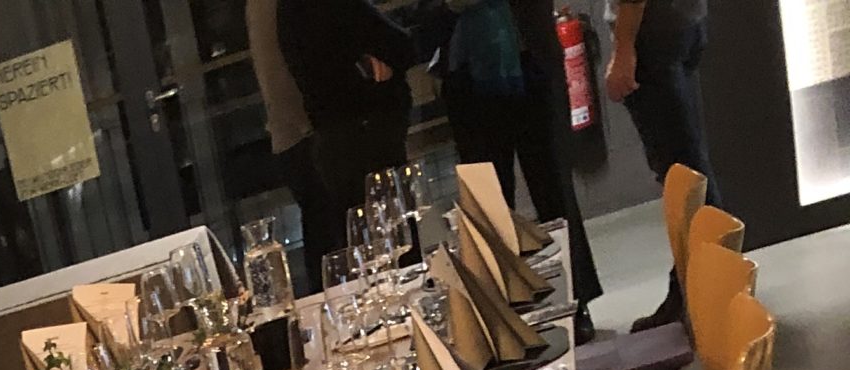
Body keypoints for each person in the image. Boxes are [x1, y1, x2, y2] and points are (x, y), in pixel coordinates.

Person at [423, 0, 602, 316]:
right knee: (488, 203)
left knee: (554, 191)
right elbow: (424, 14)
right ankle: (505, 314)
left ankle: (577, 302)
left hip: (531, 61)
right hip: (468, 77)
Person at [605, 0, 716, 324]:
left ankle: (701, 294)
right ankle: (704, 288)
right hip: (682, 24)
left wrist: (623, 50)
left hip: (652, 36)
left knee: (682, 176)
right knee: (690, 166)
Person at [277, 0, 416, 241]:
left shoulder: (287, 10)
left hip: (331, 137)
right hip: (368, 132)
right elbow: (402, 46)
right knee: (396, 232)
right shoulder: (335, 6)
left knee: (358, 236)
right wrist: (376, 68)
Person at [246, 0, 335, 291]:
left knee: (321, 233)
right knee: (330, 239)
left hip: (291, 133)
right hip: (306, 132)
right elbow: (283, 74)